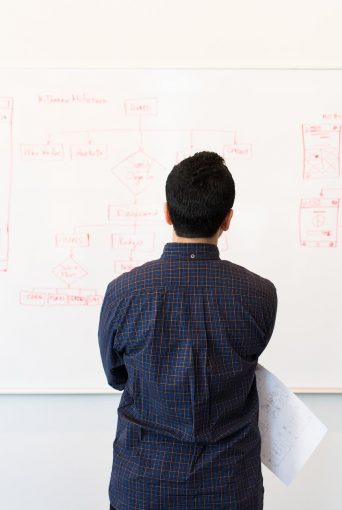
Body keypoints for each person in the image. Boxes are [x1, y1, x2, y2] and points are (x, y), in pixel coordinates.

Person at [98, 151, 278, 510]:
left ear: (167, 212)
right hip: (229, 488)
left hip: (143, 487)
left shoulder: (123, 293)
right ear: (227, 220)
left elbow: (116, 376)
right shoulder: (259, 295)